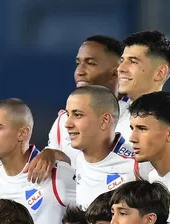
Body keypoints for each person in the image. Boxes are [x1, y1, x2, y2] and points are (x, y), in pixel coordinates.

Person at [36, 36, 124, 168]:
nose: (79, 71)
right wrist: (51, 154)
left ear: (115, 72)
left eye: (90, 63)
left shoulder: (136, 120)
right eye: (78, 64)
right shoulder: (63, 122)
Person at [64, 85, 149, 208]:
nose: (67, 123)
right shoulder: (71, 155)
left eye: (77, 115)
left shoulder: (138, 165)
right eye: (68, 114)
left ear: (104, 121)